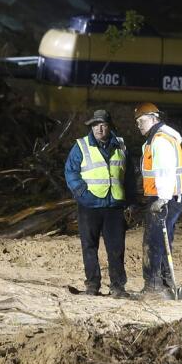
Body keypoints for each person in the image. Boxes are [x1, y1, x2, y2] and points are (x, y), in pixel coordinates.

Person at [63, 108, 129, 297]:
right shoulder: (81, 146)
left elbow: (129, 175)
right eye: (95, 125)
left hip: (113, 206)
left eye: (103, 124)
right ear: (91, 127)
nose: (99, 129)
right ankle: (92, 285)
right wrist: (83, 194)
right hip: (89, 206)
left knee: (116, 248)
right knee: (89, 246)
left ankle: (117, 287)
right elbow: (70, 172)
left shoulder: (121, 146)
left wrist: (129, 200)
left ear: (109, 126)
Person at [134, 101, 182, 297]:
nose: (139, 124)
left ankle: (155, 286)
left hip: (166, 197)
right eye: (137, 121)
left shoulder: (160, 141)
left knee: (154, 240)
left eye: (142, 120)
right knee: (163, 240)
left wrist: (162, 199)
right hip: (170, 196)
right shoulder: (157, 138)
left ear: (154, 118)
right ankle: (166, 283)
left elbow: (165, 171)